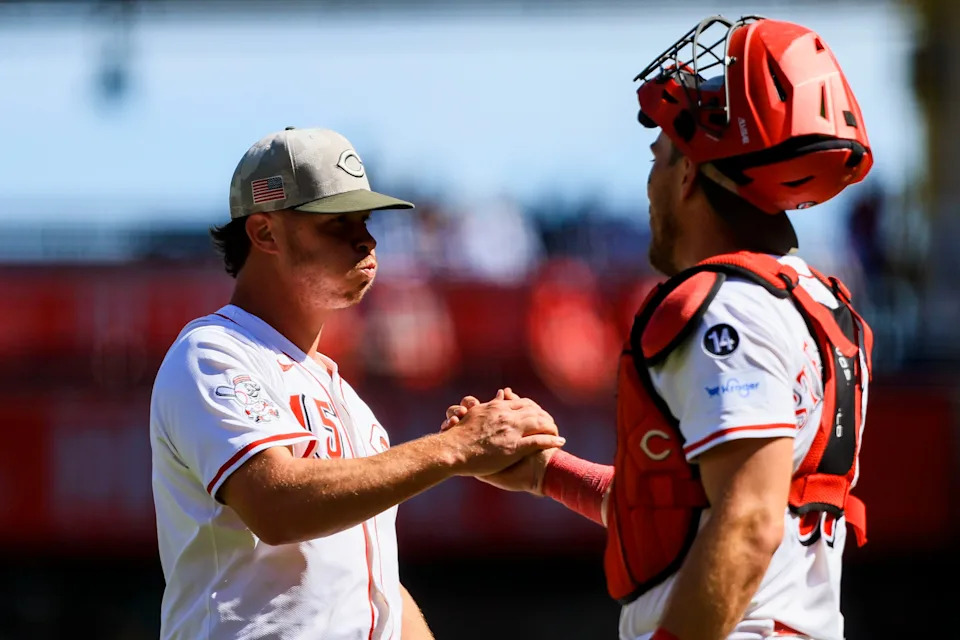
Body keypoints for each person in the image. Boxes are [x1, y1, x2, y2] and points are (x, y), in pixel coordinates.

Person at [443, 16, 874, 640]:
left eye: (658, 156)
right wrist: (545, 472)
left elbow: (749, 523)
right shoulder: (811, 303)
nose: (648, 184)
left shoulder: (720, 306)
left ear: (690, 173)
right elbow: (692, 509)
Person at [149, 126, 565, 640]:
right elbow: (276, 505)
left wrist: (457, 453)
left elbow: (373, 588)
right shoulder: (214, 351)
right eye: (336, 223)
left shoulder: (350, 402)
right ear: (265, 233)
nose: (365, 239)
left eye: (364, 220)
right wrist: (454, 449)